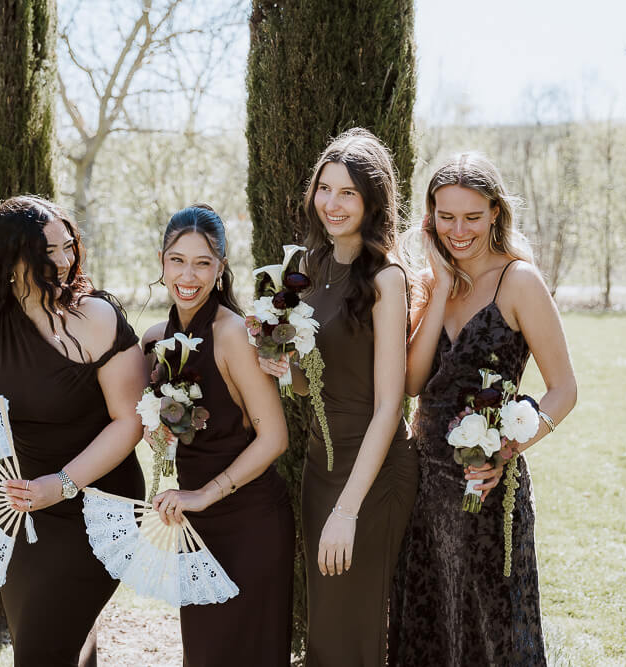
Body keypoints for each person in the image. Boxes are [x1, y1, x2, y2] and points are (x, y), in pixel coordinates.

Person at [389, 152, 578, 666]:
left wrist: (507, 449)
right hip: (424, 488)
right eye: (445, 217)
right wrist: (442, 287)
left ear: (495, 212)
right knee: (429, 625)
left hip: (488, 490)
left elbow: (564, 389)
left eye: (472, 216)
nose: (459, 230)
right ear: (430, 217)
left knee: (493, 629)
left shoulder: (519, 282)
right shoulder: (429, 282)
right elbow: (410, 384)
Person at [0, 195, 146, 666]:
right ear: (10, 257)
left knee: (41, 653)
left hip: (99, 505)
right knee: (56, 646)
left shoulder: (95, 317)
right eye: (48, 252)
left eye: (68, 247)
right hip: (23, 513)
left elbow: (130, 421)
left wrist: (61, 485)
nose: (64, 261)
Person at [259, 128, 418, 666]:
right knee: (325, 626)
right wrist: (285, 366)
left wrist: (348, 510)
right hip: (319, 468)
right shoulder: (310, 265)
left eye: (347, 192)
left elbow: (389, 404)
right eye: (325, 189)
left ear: (373, 200)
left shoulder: (386, 278)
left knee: (355, 631)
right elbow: (310, 384)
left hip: (369, 475)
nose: (332, 203)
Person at [146, 205, 295, 666]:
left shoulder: (233, 334)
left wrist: (204, 495)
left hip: (250, 525)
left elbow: (275, 439)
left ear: (221, 268)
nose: (188, 275)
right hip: (197, 529)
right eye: (177, 260)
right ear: (162, 260)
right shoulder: (153, 339)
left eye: (203, 262)